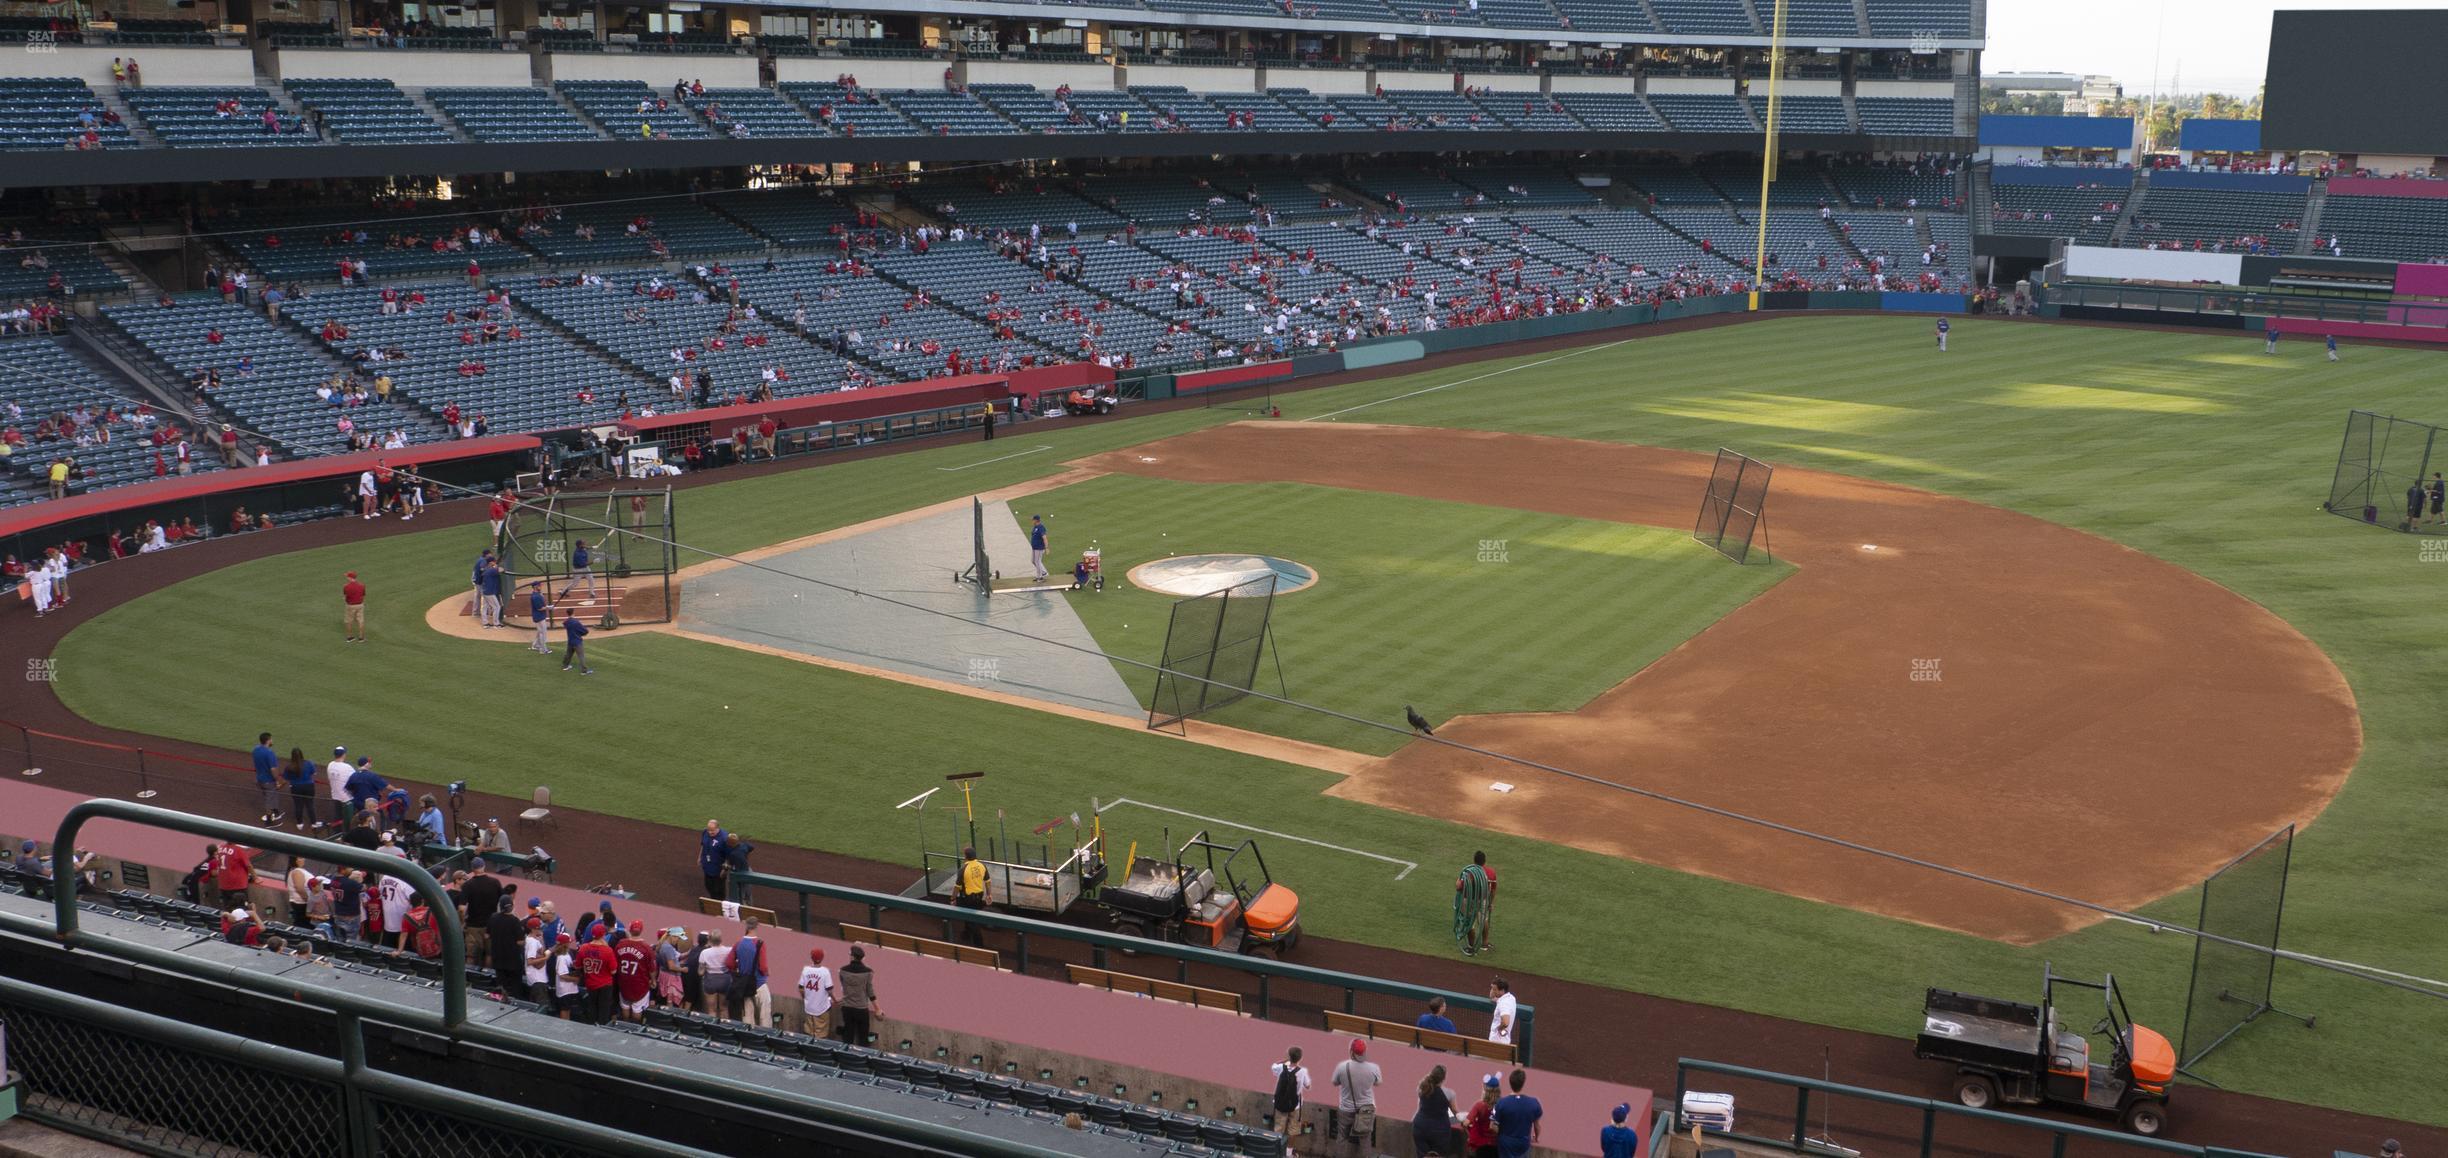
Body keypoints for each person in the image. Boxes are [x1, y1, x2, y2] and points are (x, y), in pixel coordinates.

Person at [1329, 1038, 1380, 1157]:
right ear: (1365, 1052)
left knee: (1342, 1137)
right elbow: (1377, 1082)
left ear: (1351, 1051)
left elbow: (1335, 1082)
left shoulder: (1342, 1067)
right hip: (1365, 1109)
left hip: (1346, 1109)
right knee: (1365, 1139)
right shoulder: (1374, 1068)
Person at [1491, 1069, 1541, 1158]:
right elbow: (1537, 1126)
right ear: (1523, 1083)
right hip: (1523, 1143)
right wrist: (1536, 1137)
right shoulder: (1534, 1102)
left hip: (1505, 1144)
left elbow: (1493, 1126)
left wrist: (1503, 1135)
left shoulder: (1501, 1103)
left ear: (1510, 1083)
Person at [732, 916, 771, 1026]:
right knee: (765, 1015)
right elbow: (763, 967)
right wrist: (767, 972)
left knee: (748, 1016)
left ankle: (749, 1037)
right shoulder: (760, 943)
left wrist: (739, 966)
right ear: (757, 926)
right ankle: (766, 1037)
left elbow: (729, 963)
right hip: (759, 983)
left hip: (745, 984)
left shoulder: (738, 943)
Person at [836, 943, 879, 1044]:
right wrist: (877, 1008)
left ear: (852, 956)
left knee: (848, 1035)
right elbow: (870, 991)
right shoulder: (868, 972)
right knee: (863, 1036)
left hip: (847, 1007)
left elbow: (843, 986)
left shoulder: (842, 970)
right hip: (861, 1008)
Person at [1412, 1064, 1457, 1157]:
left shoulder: (1422, 1088)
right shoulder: (1449, 1093)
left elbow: (1420, 1106)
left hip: (1419, 1126)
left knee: (1423, 1155)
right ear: (1443, 1078)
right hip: (1439, 1130)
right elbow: (1454, 1111)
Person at [1270, 1045, 1310, 1143]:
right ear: (1300, 1058)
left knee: (1278, 1129)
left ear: (1289, 1056)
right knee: (1293, 1131)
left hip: (1280, 1104)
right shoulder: (1303, 1071)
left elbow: (1273, 1065)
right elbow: (1308, 1086)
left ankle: (1277, 1151)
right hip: (1295, 1105)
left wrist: (1285, 1060)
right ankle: (1289, 1153)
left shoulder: (1280, 1068)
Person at [955, 844, 989, 947]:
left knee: (972, 920)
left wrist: (952, 898)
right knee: (970, 917)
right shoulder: (982, 865)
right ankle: (967, 934)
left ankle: (979, 945)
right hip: (979, 896)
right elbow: (988, 881)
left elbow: (957, 887)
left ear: (966, 857)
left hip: (969, 898)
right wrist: (989, 894)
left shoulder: (963, 869)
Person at [797, 947, 836, 1038]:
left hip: (809, 1007)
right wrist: (835, 1000)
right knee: (821, 1034)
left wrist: (805, 998)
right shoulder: (825, 971)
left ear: (811, 958)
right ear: (822, 958)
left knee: (809, 1033)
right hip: (822, 1008)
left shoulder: (806, 970)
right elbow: (829, 990)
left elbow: (800, 988)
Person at [1462, 1074, 1500, 1158]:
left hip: (1481, 1146)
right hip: (1496, 1145)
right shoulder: (1502, 1105)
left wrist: (1469, 1134)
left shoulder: (1479, 1105)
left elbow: (1466, 1123)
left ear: (1485, 1088)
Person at [280, 747, 317, 830]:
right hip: (308, 786)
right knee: (310, 804)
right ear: (301, 754)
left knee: (298, 805)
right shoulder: (308, 763)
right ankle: (313, 823)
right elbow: (314, 773)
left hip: (296, 787)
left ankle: (299, 823)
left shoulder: (289, 767)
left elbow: (286, 778)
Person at [252, 731, 283, 825]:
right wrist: (278, 780)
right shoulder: (269, 753)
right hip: (268, 781)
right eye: (271, 739)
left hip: (259, 779)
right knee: (268, 800)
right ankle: (269, 822)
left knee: (270, 796)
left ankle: (276, 812)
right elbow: (273, 769)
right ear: (268, 741)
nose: (272, 740)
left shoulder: (256, 749)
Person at [699, 820, 729, 900]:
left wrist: (725, 869)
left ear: (717, 828)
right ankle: (714, 901)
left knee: (719, 889)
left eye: (712, 830)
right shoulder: (705, 832)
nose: (710, 832)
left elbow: (729, 855)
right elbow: (703, 845)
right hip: (707, 864)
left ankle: (721, 904)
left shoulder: (724, 838)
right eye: (709, 830)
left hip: (718, 867)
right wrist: (699, 857)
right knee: (708, 885)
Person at [1487, 977, 1516, 1047]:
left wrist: (1499, 1028)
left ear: (1502, 990)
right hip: (1504, 1041)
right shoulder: (1510, 998)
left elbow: (1506, 1022)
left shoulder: (1504, 1004)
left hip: (1496, 1042)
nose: (1492, 991)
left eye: (1494, 989)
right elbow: (1492, 998)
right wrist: (1493, 985)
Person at [340, 571, 367, 642]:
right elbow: (363, 595)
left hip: (350, 606)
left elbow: (345, 596)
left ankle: (349, 637)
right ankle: (361, 638)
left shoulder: (346, 586)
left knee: (349, 621)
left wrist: (345, 599)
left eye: (347, 576)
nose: (346, 577)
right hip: (360, 605)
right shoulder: (362, 585)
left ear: (350, 577)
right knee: (360, 621)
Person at [528, 581, 552, 655]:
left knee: (539, 632)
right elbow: (540, 608)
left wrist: (547, 607)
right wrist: (549, 608)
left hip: (539, 616)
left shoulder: (538, 594)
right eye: (539, 585)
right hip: (539, 617)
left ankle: (535, 645)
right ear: (535, 587)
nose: (540, 586)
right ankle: (543, 650)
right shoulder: (536, 596)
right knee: (543, 633)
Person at [1028, 514, 1048, 579]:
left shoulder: (1041, 527)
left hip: (1039, 548)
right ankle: (1043, 572)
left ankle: (1039, 576)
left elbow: (1044, 537)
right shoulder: (1035, 527)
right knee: (1033, 561)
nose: (1032, 521)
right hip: (1034, 547)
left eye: (1033, 520)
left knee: (1037, 561)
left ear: (1036, 520)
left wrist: (1046, 548)